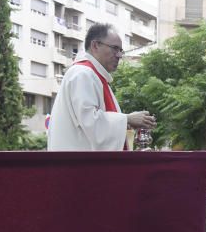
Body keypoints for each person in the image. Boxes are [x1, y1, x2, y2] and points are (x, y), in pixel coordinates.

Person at [47, 23, 155, 151]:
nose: (119, 55)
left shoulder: (95, 76)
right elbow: (90, 121)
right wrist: (127, 119)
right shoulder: (82, 74)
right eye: (115, 48)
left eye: (121, 50)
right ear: (95, 45)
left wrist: (127, 123)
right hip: (78, 166)